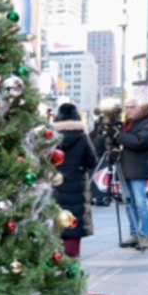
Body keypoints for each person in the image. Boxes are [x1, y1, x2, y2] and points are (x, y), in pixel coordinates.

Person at [52, 103, 97, 257]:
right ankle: (71, 263)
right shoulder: (83, 137)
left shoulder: (51, 138)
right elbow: (92, 162)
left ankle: (56, 258)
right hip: (77, 187)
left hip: (55, 185)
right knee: (73, 226)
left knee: (55, 224)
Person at [114, 99, 148, 250]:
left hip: (140, 167)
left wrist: (119, 136)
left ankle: (146, 236)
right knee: (128, 202)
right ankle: (134, 234)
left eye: (132, 107)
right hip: (126, 167)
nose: (129, 110)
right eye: (126, 107)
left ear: (141, 108)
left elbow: (141, 141)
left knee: (141, 203)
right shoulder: (128, 123)